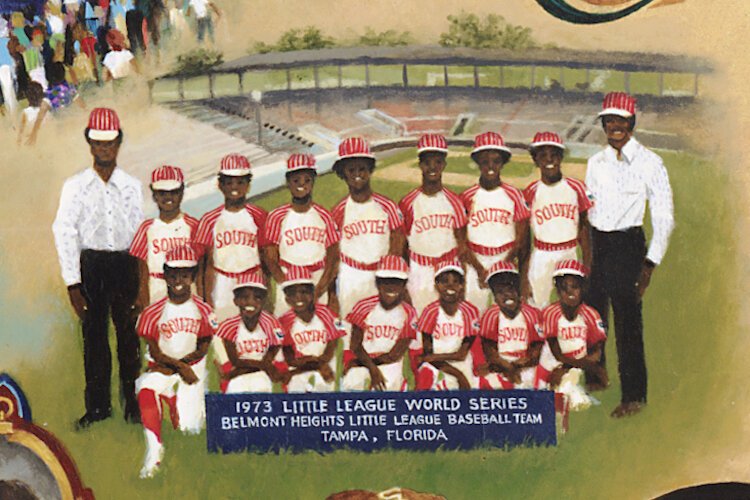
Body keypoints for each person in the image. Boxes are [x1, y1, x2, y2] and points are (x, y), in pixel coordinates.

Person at [52, 107, 144, 429]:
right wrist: (73, 284)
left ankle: (133, 404)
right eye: (98, 143)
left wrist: (140, 282)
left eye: (110, 143)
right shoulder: (75, 186)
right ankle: (98, 408)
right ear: (89, 144)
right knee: (94, 340)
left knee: (129, 339)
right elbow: (64, 231)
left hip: (124, 263)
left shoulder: (131, 186)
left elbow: (138, 233)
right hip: (91, 264)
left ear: (119, 143)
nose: (104, 149)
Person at [584, 92, 674, 418]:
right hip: (597, 243)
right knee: (592, 316)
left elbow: (664, 217)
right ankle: (595, 377)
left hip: (628, 245)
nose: (614, 126)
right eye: (608, 121)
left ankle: (634, 396)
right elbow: (589, 208)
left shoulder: (651, 163)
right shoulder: (595, 162)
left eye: (620, 120)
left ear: (631, 123)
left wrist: (649, 263)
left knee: (627, 323)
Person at [135, 245, 217, 478]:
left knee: (189, 429)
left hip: (192, 370)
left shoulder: (202, 309)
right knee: (145, 387)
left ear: (192, 276)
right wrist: (179, 367)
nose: (178, 279)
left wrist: (183, 368)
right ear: (164, 275)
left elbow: (202, 347)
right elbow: (155, 352)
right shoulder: (153, 312)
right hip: (166, 369)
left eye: (185, 273)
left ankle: (173, 400)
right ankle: (154, 451)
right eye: (173, 273)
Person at [194, 154, 268, 385]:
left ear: (248, 184)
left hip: (252, 282)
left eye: (240, 182)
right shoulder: (209, 219)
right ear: (220, 184)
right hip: (223, 282)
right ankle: (229, 391)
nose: (234, 187)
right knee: (223, 344)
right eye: (229, 182)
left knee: (251, 343)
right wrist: (206, 301)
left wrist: (267, 293)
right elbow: (203, 264)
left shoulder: (258, 216)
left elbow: (266, 259)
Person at [331, 137, 405, 365]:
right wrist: (333, 292)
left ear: (370, 170)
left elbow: (397, 242)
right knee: (349, 330)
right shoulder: (339, 210)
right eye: (350, 169)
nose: (357, 174)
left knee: (382, 328)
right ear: (343, 173)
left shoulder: (387, 206)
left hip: (381, 277)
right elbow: (333, 253)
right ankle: (351, 379)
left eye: (362, 168)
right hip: (351, 274)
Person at [460, 131, 530, 313]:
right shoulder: (467, 196)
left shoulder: (514, 195)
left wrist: (503, 265)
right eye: (485, 161)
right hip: (476, 261)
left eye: (496, 161)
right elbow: (461, 239)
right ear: (477, 162)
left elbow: (521, 238)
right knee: (474, 313)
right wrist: (479, 268)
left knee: (507, 315)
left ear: (503, 162)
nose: (490, 166)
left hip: (505, 259)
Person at [264, 153, 340, 315]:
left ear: (313, 181)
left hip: (317, 277)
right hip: (288, 277)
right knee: (287, 329)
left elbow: (333, 255)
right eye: (296, 180)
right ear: (288, 182)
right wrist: (285, 285)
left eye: (307, 180)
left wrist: (321, 288)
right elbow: (270, 257)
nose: (302, 185)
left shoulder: (323, 215)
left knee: (318, 329)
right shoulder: (276, 216)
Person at [524, 132, 592, 310]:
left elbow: (585, 228)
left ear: (561, 157)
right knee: (537, 306)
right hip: (541, 254)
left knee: (571, 307)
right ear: (535, 160)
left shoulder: (576, 188)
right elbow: (524, 234)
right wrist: (523, 275)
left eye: (554, 154)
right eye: (543, 156)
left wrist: (587, 264)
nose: (549, 160)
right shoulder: (531, 191)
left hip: (568, 252)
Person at [537, 260, 608, 412]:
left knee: (568, 389)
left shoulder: (590, 314)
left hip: (576, 365)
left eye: (575, 287)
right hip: (554, 363)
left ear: (582, 289)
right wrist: (594, 369)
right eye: (564, 288)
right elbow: (556, 352)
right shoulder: (550, 313)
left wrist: (569, 367)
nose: (569, 292)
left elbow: (596, 353)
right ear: (557, 290)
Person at [342, 255, 417, 392]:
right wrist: (371, 368)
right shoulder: (363, 306)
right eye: (386, 281)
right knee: (351, 384)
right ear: (377, 283)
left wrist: (369, 368)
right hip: (364, 360)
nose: (391, 287)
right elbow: (355, 345)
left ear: (404, 285)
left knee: (386, 388)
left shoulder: (409, 313)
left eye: (397, 282)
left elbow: (395, 354)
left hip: (389, 365)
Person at [129, 165, 198, 305]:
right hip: (156, 289)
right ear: (154, 194)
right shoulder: (146, 228)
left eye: (174, 192)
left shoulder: (193, 226)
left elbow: (201, 264)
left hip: (187, 290)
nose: (168, 197)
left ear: (182, 191)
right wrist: (142, 300)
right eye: (162, 193)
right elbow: (140, 269)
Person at [414, 259, 480, 391]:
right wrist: (458, 375)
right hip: (437, 365)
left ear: (462, 285)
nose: (450, 286)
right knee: (426, 379)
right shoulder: (430, 311)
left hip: (461, 364)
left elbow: (461, 355)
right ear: (436, 285)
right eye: (444, 281)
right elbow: (428, 352)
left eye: (456, 282)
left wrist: (431, 357)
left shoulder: (470, 311)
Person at [279, 266, 345, 393]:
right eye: (292, 294)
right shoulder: (284, 321)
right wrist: (317, 364)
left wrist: (314, 363)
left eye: (304, 292)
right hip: (300, 372)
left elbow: (330, 352)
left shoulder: (326, 314)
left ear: (313, 294)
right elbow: (291, 360)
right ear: (287, 299)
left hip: (326, 369)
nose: (298, 297)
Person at [478, 261, 543, 390]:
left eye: (510, 289)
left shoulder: (532, 313)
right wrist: (508, 369)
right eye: (500, 291)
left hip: (526, 366)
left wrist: (516, 367)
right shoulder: (490, 315)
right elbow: (490, 352)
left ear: (519, 292)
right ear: (495, 297)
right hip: (500, 367)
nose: (507, 294)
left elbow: (536, 352)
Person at [217, 271, 284, 394]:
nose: (250, 302)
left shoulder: (271, 323)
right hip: (238, 379)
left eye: (257, 297)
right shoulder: (229, 326)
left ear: (263, 301)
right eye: (244, 297)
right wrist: (264, 366)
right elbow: (235, 361)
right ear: (236, 300)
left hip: (260, 377)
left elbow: (268, 360)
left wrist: (235, 372)